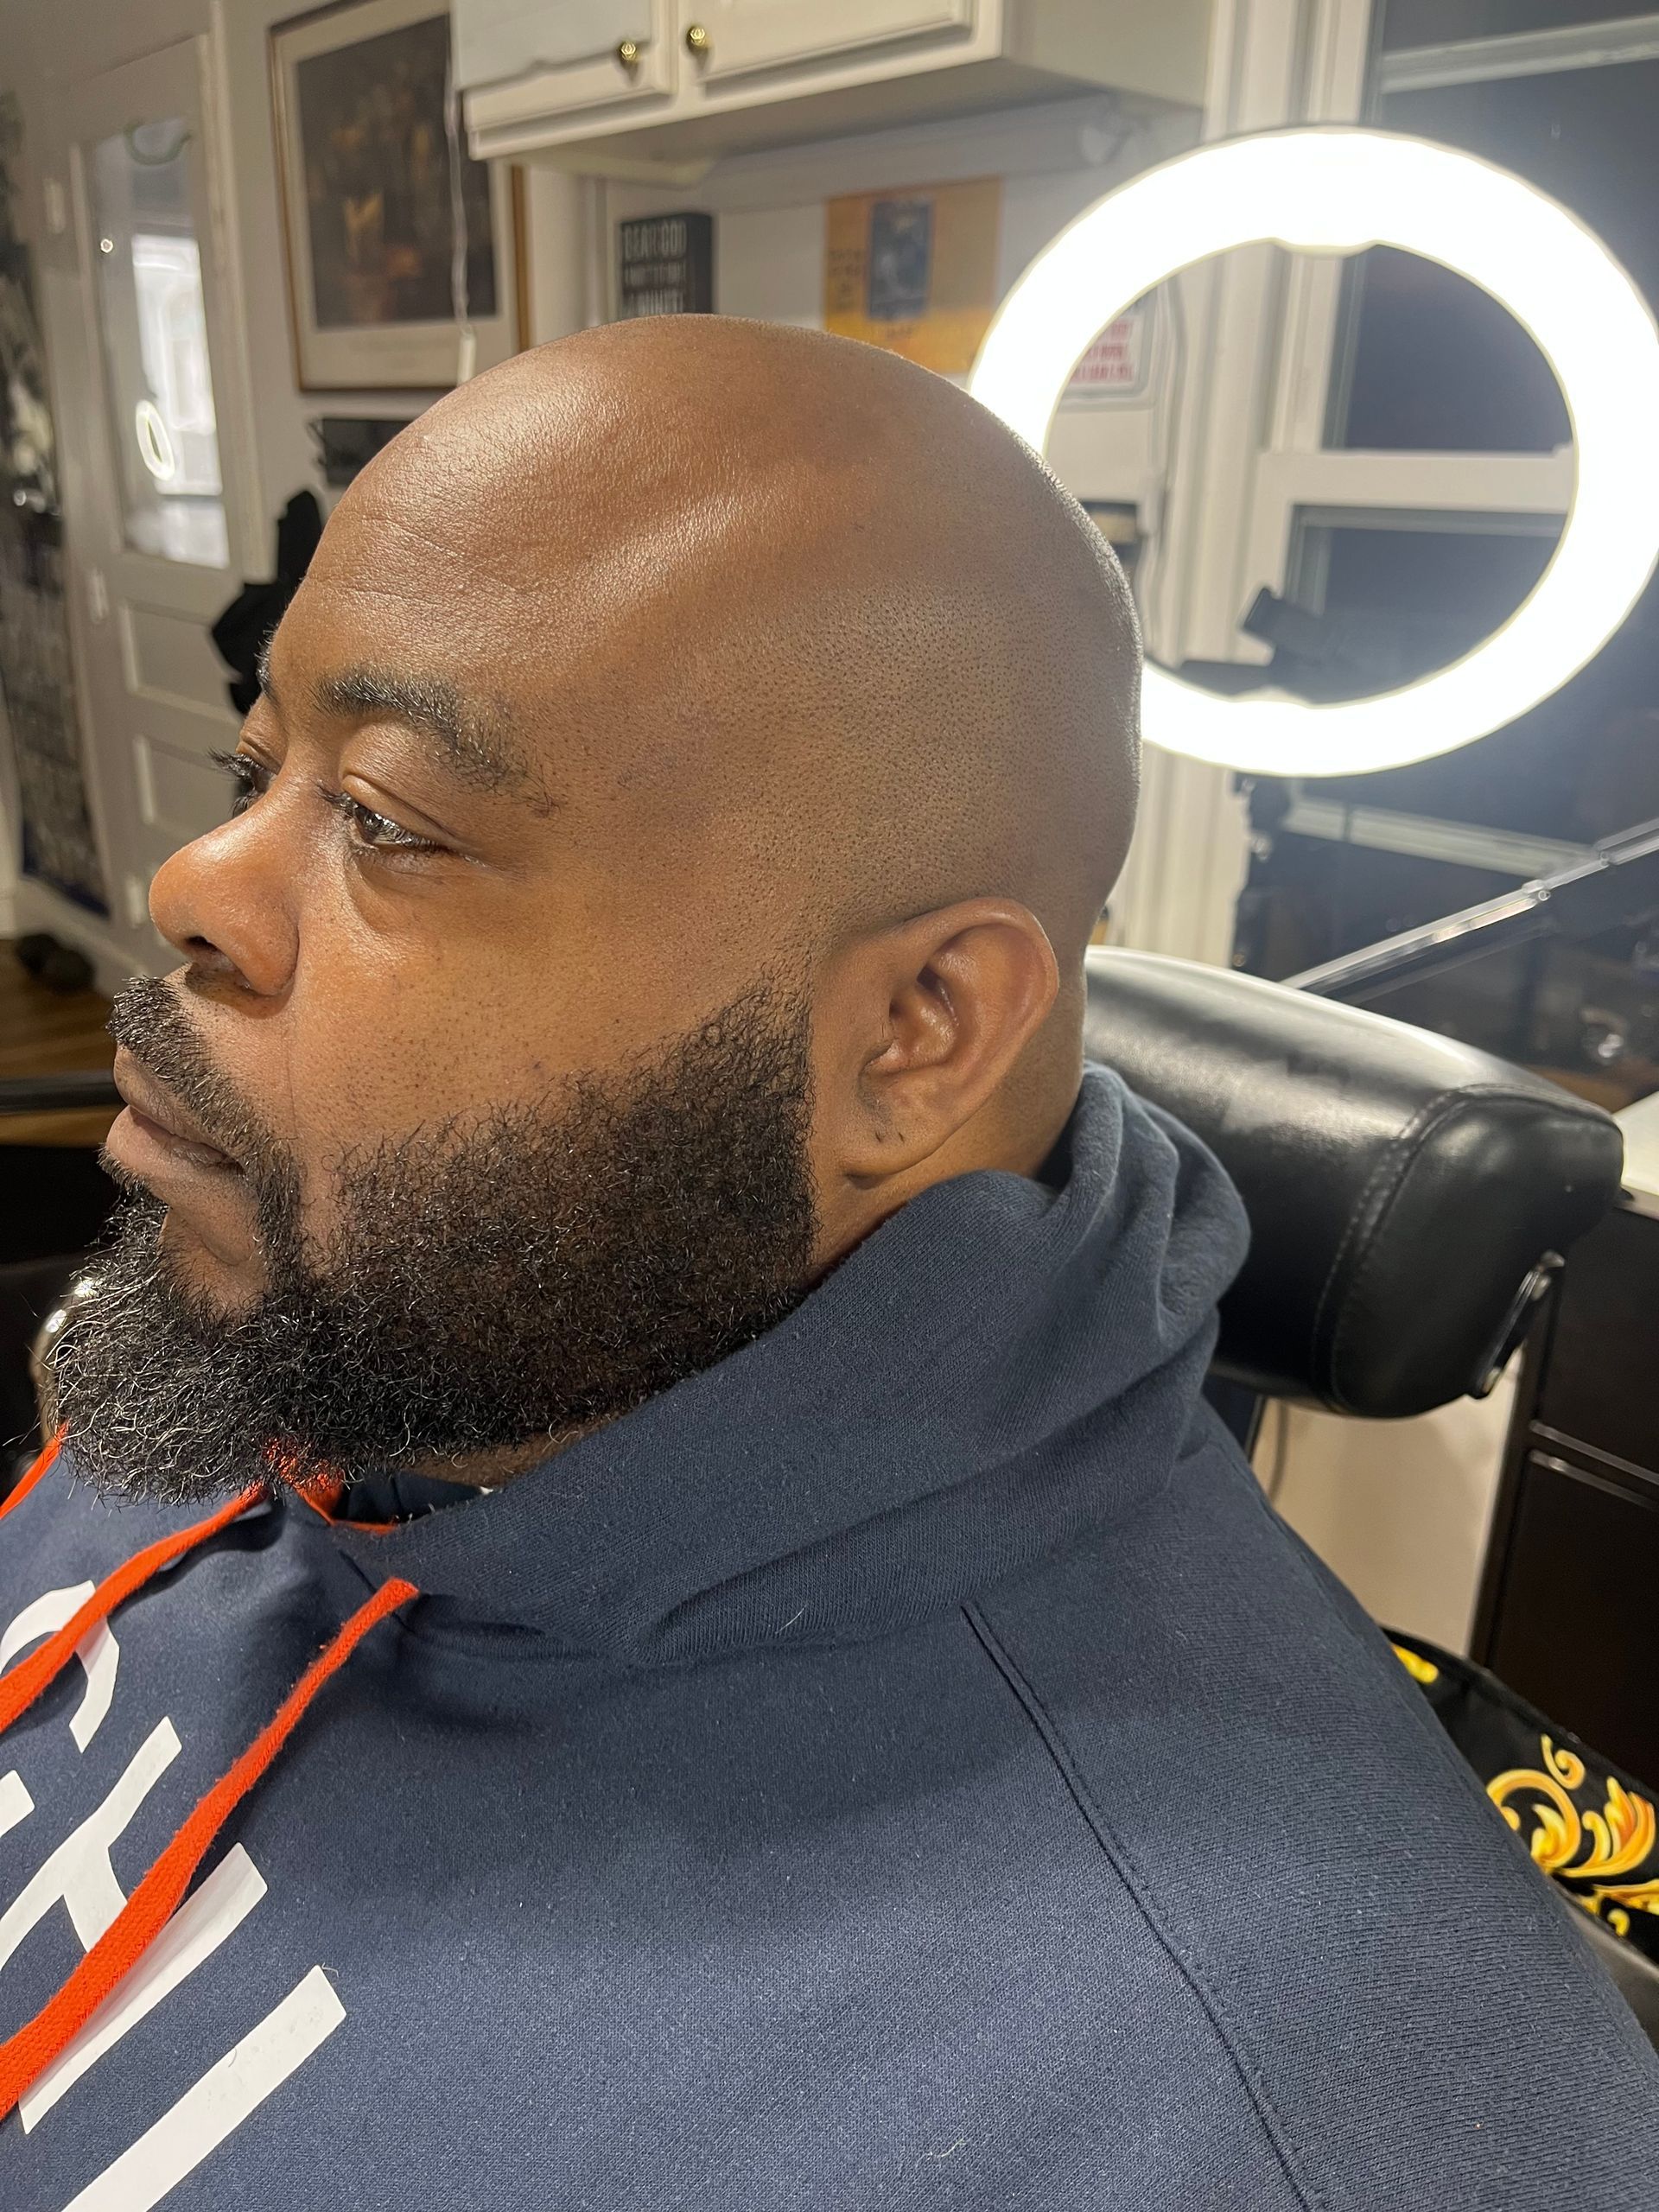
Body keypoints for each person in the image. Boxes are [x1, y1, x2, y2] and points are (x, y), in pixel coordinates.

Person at [1, 320, 1653, 2209]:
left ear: (915, 1034)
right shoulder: (399, 1315)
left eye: (387, 820)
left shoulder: (1253, 2115)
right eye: (258, 764)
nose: (195, 882)